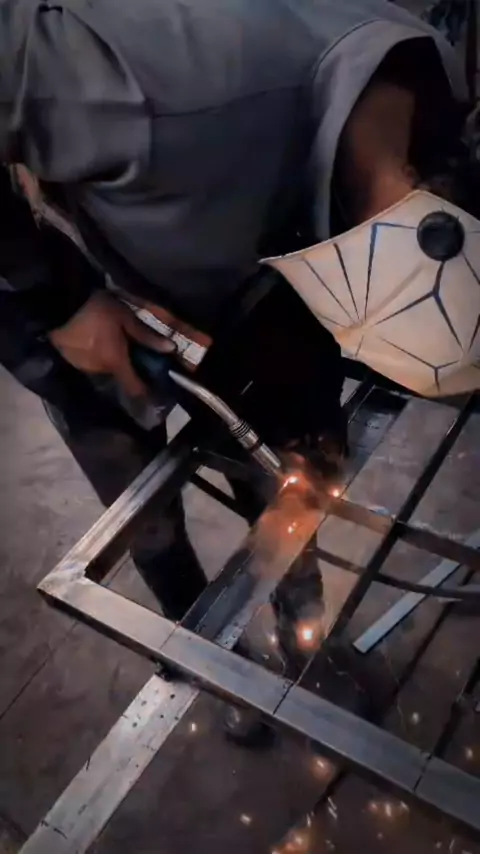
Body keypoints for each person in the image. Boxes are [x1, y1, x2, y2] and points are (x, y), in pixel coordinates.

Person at [1, 0, 479, 733]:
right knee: (142, 504)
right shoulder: (103, 70)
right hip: (70, 283)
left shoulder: (425, 82)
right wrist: (58, 295)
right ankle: (207, 660)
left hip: (232, 270)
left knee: (289, 464)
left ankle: (305, 638)